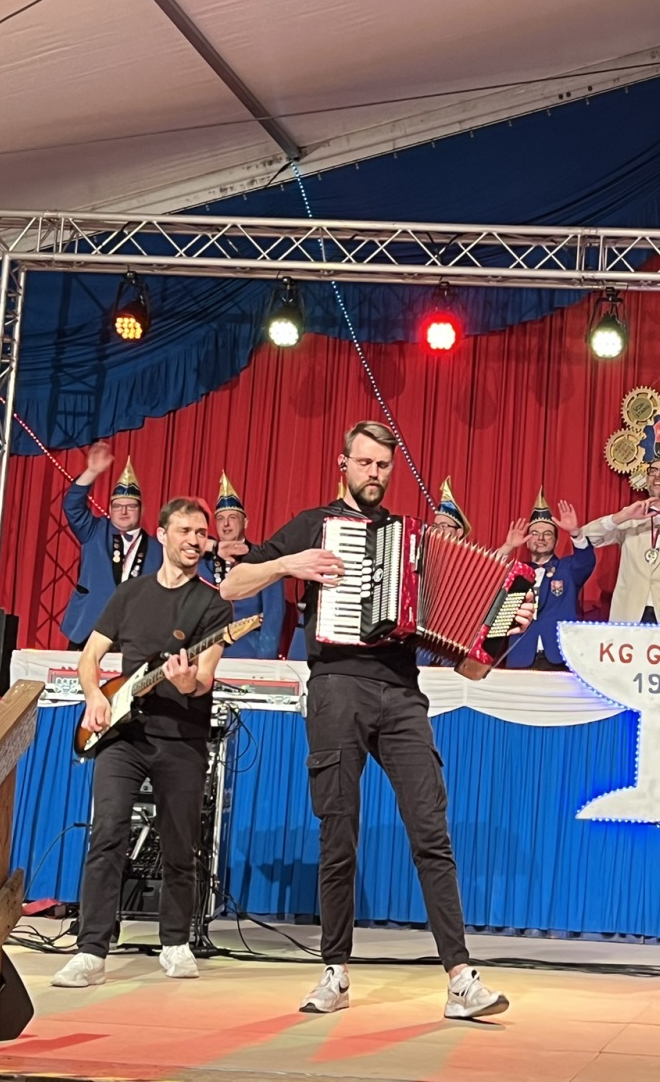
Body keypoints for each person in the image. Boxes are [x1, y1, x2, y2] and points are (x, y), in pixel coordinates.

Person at [219, 420, 531, 1020]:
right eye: (364, 463)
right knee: (338, 832)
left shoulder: (412, 541)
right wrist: (291, 564)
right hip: (336, 686)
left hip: (402, 694)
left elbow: (471, 668)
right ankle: (335, 972)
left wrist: (504, 631)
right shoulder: (314, 525)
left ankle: (460, 978)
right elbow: (232, 584)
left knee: (431, 831)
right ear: (343, 464)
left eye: (383, 466)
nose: (374, 474)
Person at [51, 497, 233, 988]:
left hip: (182, 738)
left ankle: (175, 943)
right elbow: (90, 657)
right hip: (123, 735)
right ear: (164, 534)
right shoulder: (130, 594)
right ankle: (91, 951)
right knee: (107, 832)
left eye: (202, 533)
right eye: (186, 531)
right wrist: (94, 695)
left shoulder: (214, 605)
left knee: (180, 843)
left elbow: (204, 678)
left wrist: (188, 681)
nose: (195, 540)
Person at [582, 453, 660, 624]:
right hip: (628, 615)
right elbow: (585, 537)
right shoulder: (630, 517)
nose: (657, 475)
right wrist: (621, 517)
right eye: (653, 471)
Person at [60, 442, 163, 649]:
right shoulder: (95, 531)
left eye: (130, 506)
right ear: (109, 509)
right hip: (89, 627)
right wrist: (92, 472)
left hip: (133, 638)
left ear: (141, 510)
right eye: (117, 506)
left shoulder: (158, 550)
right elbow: (72, 506)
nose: (123, 512)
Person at [501, 489, 595, 669]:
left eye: (548, 533)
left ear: (556, 541)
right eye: (535, 533)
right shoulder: (515, 571)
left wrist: (575, 532)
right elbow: (486, 577)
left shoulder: (568, 569)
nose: (541, 538)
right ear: (527, 541)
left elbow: (586, 560)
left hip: (559, 656)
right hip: (520, 655)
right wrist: (507, 546)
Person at [198, 472, 285, 659]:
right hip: (204, 654)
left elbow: (274, 613)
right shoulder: (203, 562)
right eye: (220, 518)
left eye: (232, 517)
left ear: (245, 522)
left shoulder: (264, 559)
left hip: (247, 654)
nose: (226, 524)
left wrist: (264, 660)